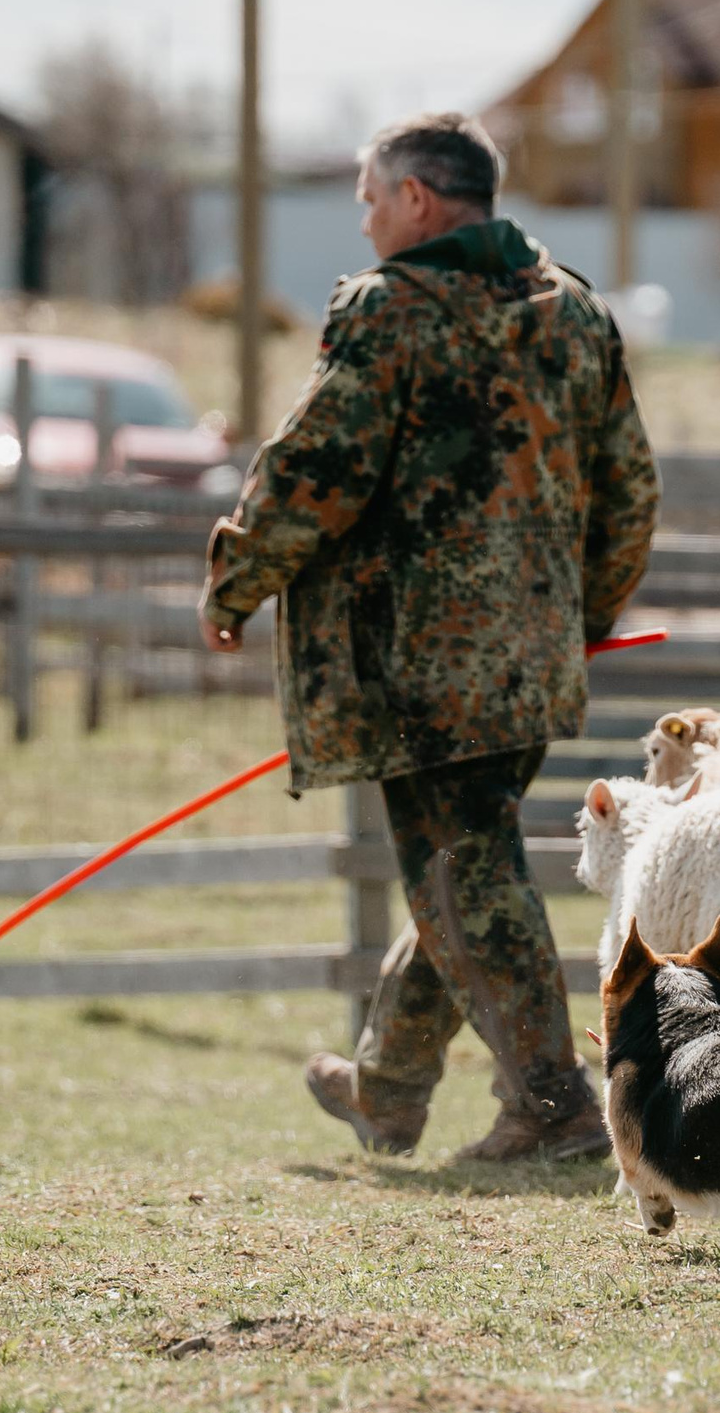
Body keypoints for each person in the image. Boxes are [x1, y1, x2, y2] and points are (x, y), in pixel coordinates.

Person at [200, 112, 657, 1162]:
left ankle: (554, 1110)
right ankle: (387, 1089)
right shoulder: (575, 312)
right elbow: (629, 488)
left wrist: (237, 578)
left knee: (463, 875)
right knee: (465, 868)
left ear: (417, 199)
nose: (363, 224)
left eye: (368, 200)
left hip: (414, 660)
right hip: (532, 656)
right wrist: (580, 617)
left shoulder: (390, 312)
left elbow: (318, 466)